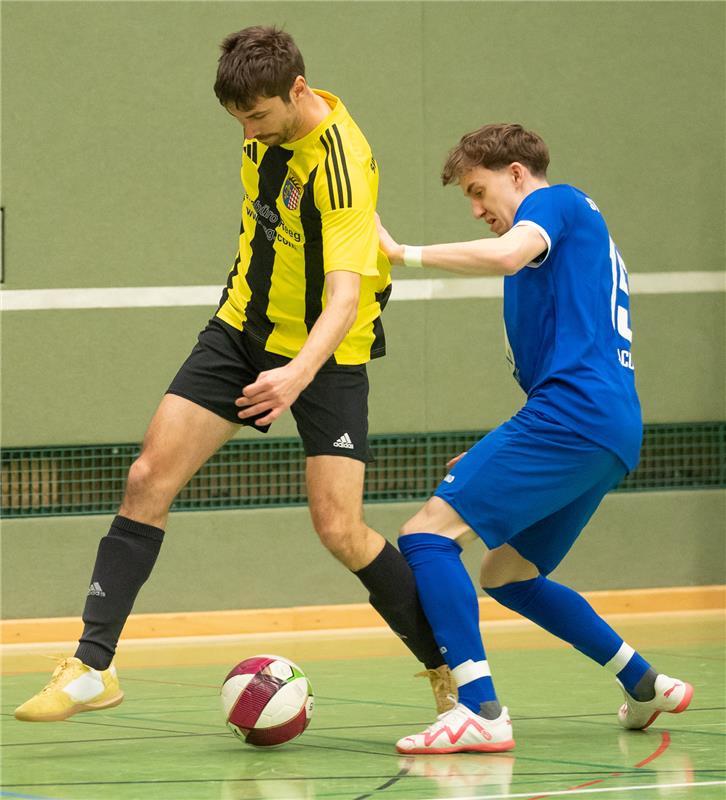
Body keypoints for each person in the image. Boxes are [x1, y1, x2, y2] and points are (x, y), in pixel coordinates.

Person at [15, 25, 454, 723]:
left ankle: (449, 670)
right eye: (238, 117)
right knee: (147, 478)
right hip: (242, 328)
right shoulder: (263, 130)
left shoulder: (339, 164)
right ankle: (93, 667)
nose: (248, 130)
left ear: (298, 91)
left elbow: (342, 298)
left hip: (326, 352)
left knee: (340, 528)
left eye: (258, 116)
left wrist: (295, 376)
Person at [375, 123, 693, 754]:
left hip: (574, 417)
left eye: (479, 189)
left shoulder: (556, 202)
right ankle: (644, 681)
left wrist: (399, 252)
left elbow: (503, 255)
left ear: (517, 174)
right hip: (601, 429)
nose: (475, 209)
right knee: (508, 572)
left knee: (425, 535)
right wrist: (502, 448)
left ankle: (479, 709)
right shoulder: (552, 259)